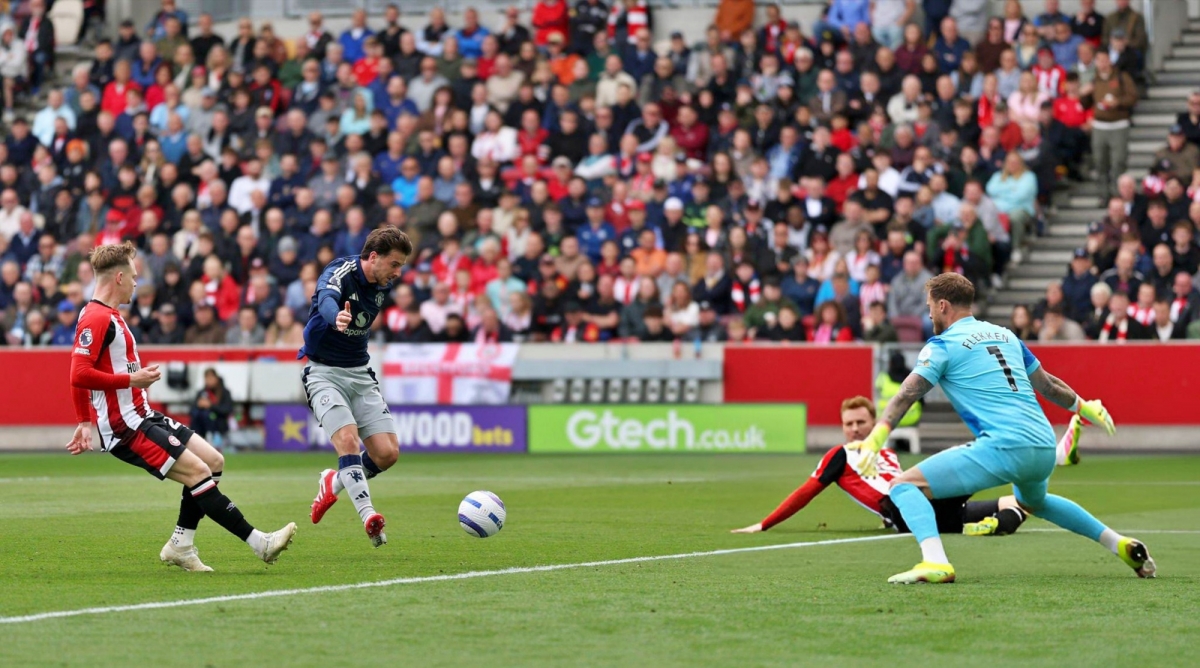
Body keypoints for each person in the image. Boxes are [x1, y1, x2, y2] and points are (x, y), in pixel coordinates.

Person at [848, 272, 1155, 583]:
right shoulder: (1006, 336)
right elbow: (1047, 385)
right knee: (1034, 502)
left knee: (904, 486)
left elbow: (906, 394)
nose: (928, 314)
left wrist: (876, 439)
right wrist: (1083, 406)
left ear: (943, 305)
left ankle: (935, 561)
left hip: (1004, 447)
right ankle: (1120, 544)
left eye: (929, 306)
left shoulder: (942, 344)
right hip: (1044, 444)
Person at [66, 242, 295, 572]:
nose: (136, 282)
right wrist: (127, 385)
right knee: (199, 473)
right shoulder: (97, 317)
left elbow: (82, 371)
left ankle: (180, 545)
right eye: (132, 276)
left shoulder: (109, 315)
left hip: (142, 413)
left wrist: (85, 419)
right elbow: (78, 373)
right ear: (118, 277)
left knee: (213, 461)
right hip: (126, 425)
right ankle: (260, 543)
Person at [731, 396, 1039, 537]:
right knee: (970, 466)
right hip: (902, 508)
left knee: (1022, 503)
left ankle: (994, 525)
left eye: (860, 422)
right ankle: (1014, 456)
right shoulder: (840, 454)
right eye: (848, 424)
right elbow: (807, 491)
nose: (854, 429)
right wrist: (765, 523)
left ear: (874, 423)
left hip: (921, 504)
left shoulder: (888, 453)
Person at [302, 228, 414, 548]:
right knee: (348, 440)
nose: (398, 272)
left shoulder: (382, 283)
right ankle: (369, 516)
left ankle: (332, 481)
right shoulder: (341, 271)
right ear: (373, 257)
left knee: (387, 453)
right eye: (394, 264)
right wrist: (335, 315)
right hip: (323, 372)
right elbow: (325, 297)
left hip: (360, 372)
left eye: (401, 266)